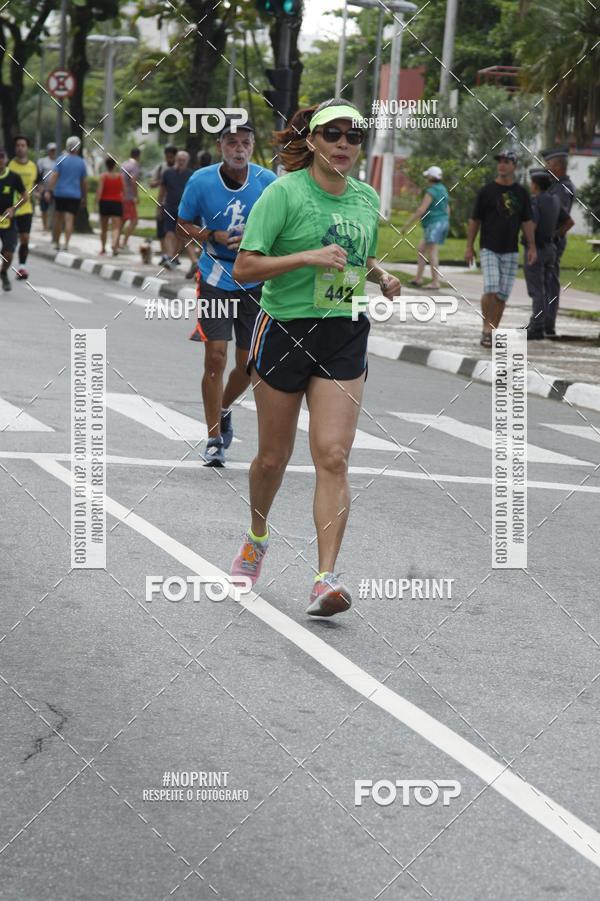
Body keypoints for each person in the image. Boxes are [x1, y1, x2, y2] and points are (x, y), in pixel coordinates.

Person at [229, 98, 401, 618]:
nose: (345, 144)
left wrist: (381, 276)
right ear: (313, 141)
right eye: (334, 135)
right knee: (273, 459)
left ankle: (325, 579)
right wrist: (305, 257)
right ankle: (257, 536)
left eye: (354, 136)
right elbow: (244, 267)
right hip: (284, 329)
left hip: (343, 332)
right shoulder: (284, 194)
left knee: (333, 455)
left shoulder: (366, 198)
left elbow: (356, 254)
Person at [177, 115, 277, 466]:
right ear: (220, 146)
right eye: (232, 142)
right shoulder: (201, 180)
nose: (239, 149)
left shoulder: (268, 182)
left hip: (255, 281)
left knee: (249, 364)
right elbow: (183, 223)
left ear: (253, 146)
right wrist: (211, 236)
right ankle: (214, 438)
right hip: (216, 278)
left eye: (245, 143)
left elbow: (283, 225)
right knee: (215, 356)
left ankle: (223, 407)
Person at [465, 150, 536, 348]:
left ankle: (493, 329)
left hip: (511, 249)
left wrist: (532, 246)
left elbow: (527, 221)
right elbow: (474, 220)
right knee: (491, 287)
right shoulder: (486, 191)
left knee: (503, 294)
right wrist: (469, 246)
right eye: (500, 162)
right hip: (489, 247)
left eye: (507, 162)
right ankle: (486, 329)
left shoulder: (521, 193)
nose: (502, 165)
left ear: (514, 166)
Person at [524, 168, 574, 340]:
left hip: (536, 249)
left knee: (537, 290)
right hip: (551, 249)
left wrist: (530, 244)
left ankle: (536, 327)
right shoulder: (554, 201)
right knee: (546, 288)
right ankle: (543, 324)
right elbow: (569, 222)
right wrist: (555, 234)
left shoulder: (535, 202)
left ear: (535, 185)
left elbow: (533, 224)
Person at [541, 146, 576, 336]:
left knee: (550, 282)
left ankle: (548, 323)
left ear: (558, 167)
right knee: (545, 281)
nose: (546, 168)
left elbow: (557, 215)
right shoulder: (555, 185)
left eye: (549, 164)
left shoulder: (563, 187)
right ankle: (544, 320)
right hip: (549, 239)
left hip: (554, 240)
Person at [402, 164, 449, 289]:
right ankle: (418, 278)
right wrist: (445, 221)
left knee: (432, 252)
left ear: (431, 177)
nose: (426, 178)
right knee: (421, 250)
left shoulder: (431, 191)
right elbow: (447, 208)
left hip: (434, 224)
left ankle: (435, 282)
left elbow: (422, 209)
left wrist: (407, 225)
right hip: (442, 222)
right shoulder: (443, 189)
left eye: (427, 176)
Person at [159, 150, 196, 274]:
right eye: (179, 160)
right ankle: (169, 257)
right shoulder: (167, 173)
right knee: (169, 233)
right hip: (170, 206)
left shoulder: (191, 175)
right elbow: (162, 190)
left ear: (187, 162)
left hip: (185, 209)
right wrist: (159, 205)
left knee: (182, 235)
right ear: (176, 160)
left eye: (184, 160)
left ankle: (175, 258)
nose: (181, 162)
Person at [48, 136, 87, 251]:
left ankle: (56, 242)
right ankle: (66, 244)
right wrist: (84, 196)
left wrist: (49, 190)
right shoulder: (81, 162)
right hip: (74, 195)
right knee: (69, 220)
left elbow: (54, 176)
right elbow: (83, 182)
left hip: (60, 193)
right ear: (78, 148)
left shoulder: (61, 159)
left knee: (58, 219)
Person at [8, 135, 37, 279]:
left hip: (26, 209)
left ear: (27, 148)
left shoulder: (33, 167)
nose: (20, 148)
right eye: (18, 145)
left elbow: (37, 184)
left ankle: (22, 267)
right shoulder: (9, 166)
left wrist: (44, 193)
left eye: (23, 145)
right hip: (9, 210)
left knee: (25, 238)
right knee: (9, 240)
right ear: (15, 148)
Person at [0, 148, 27, 291]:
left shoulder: (14, 177)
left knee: (8, 253)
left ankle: (3, 273)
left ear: (5, 159)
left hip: (7, 221)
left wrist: (13, 208)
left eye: (2, 157)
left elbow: (25, 196)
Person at [150, 144, 177, 266]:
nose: (169, 159)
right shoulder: (161, 168)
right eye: (167, 157)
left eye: (171, 157)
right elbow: (152, 183)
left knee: (174, 232)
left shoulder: (179, 169)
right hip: (164, 203)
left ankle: (173, 255)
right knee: (162, 231)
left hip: (176, 204)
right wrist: (163, 181)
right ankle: (164, 254)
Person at [96, 156, 124, 256]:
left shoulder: (103, 176)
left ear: (106, 165)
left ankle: (103, 248)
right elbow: (123, 191)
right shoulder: (120, 177)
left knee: (104, 228)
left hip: (105, 202)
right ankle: (114, 246)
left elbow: (99, 191)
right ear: (115, 165)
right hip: (117, 202)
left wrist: (96, 203)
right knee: (116, 227)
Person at [120, 147, 141, 248]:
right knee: (134, 221)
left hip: (121, 195)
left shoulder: (124, 164)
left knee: (123, 220)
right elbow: (133, 181)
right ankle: (124, 242)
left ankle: (116, 241)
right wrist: (136, 196)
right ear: (138, 156)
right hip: (129, 196)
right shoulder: (135, 166)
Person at [37, 142, 57, 231]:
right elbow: (38, 176)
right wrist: (39, 189)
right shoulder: (42, 161)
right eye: (51, 150)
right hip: (44, 188)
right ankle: (45, 226)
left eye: (54, 150)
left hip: (55, 188)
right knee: (44, 209)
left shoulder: (58, 162)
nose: (53, 152)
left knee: (54, 209)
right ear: (48, 151)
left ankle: (52, 225)